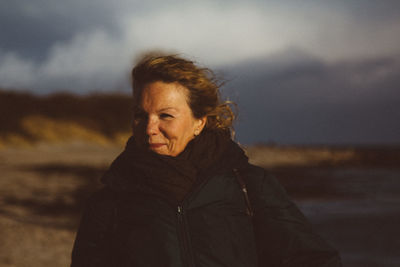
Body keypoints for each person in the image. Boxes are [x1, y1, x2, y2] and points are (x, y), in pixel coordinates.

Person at [71, 53, 342, 267]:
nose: (149, 128)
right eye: (141, 115)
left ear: (199, 121)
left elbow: (315, 260)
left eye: (165, 116)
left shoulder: (248, 186)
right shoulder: (111, 203)